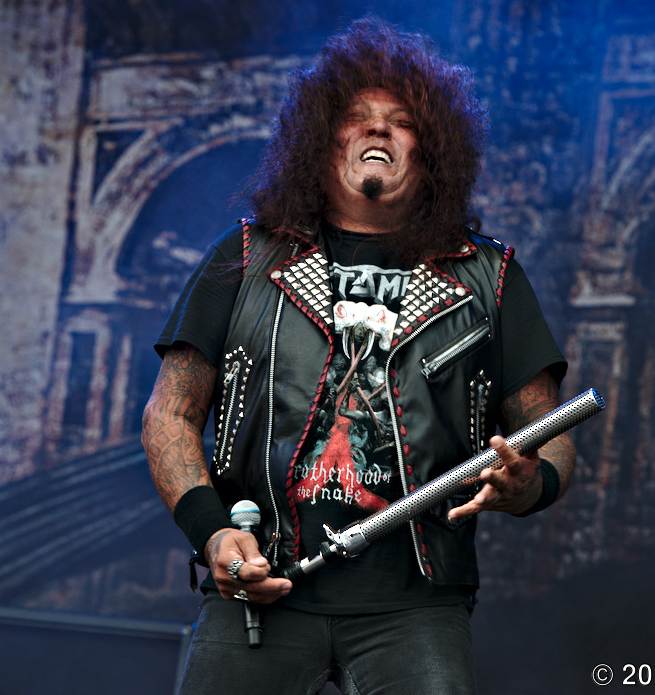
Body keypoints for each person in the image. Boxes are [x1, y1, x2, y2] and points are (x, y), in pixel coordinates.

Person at [142, 16, 574, 695]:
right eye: (356, 117)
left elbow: (552, 439)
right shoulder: (246, 257)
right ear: (321, 141)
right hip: (258, 593)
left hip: (418, 608)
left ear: (431, 152)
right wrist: (216, 535)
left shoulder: (490, 278)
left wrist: (530, 485)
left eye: (402, 121)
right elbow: (169, 414)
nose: (379, 129)